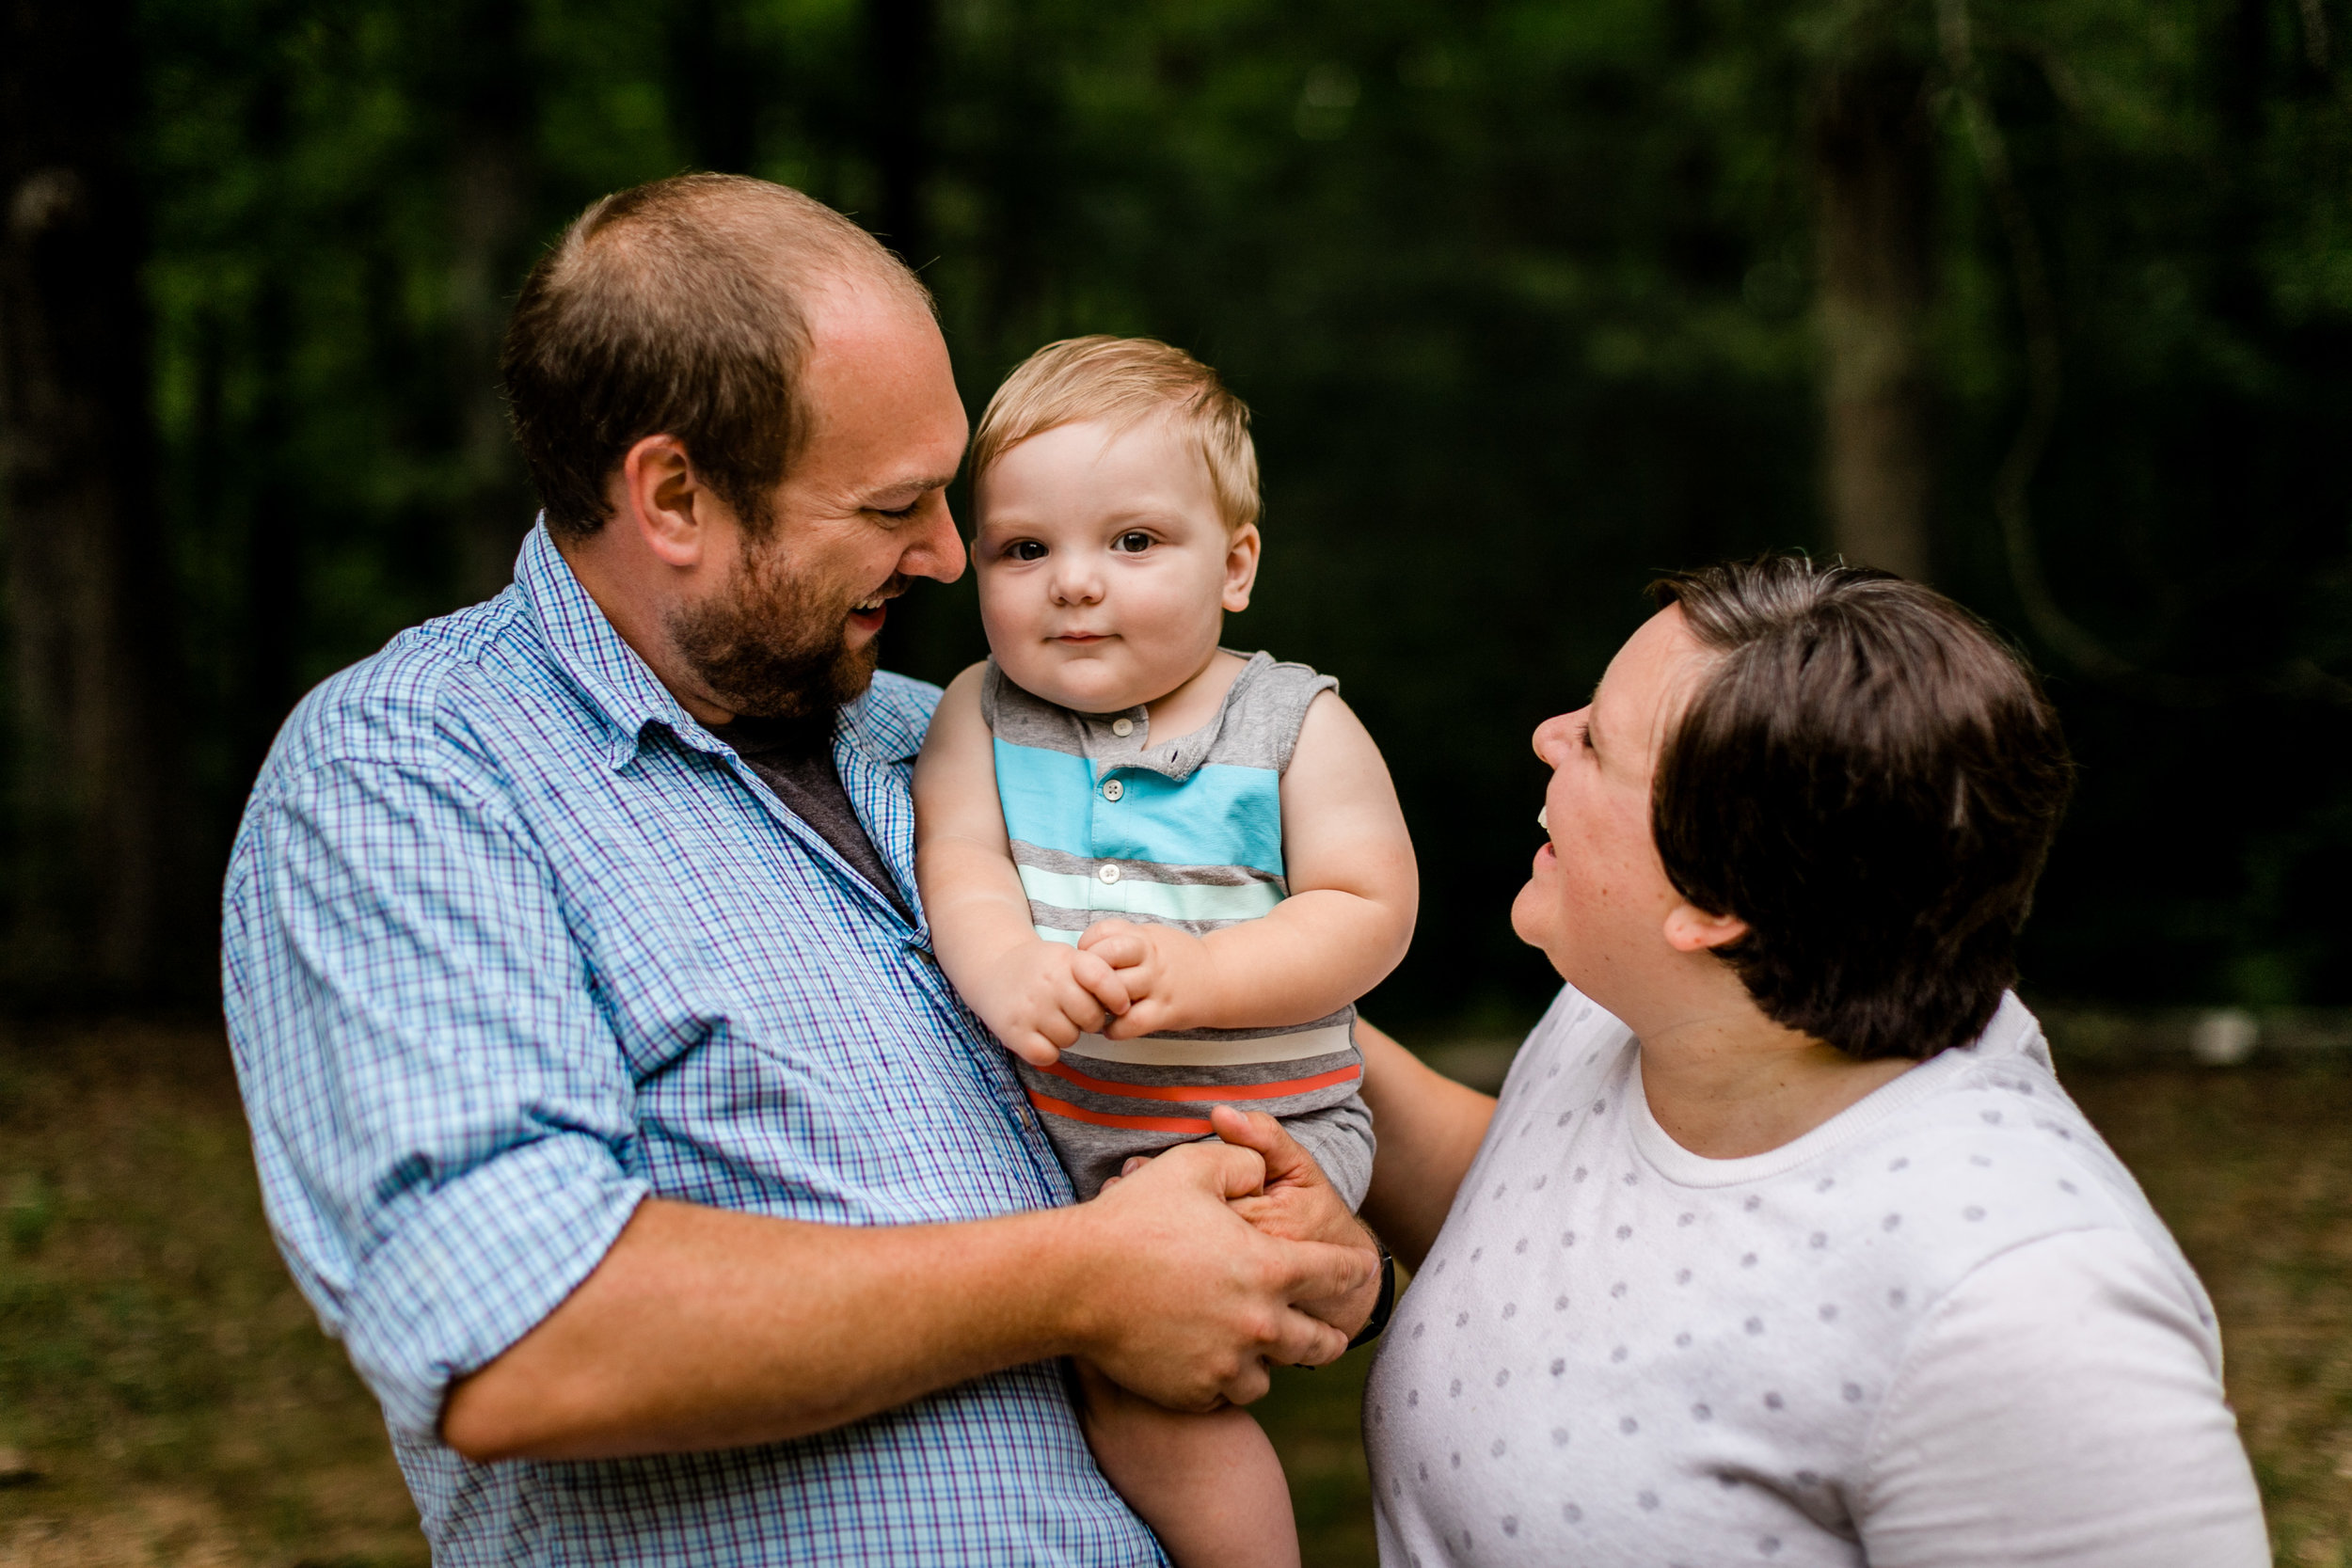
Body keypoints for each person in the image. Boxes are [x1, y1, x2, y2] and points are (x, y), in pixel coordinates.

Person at [218, 173, 1380, 1565]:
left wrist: (1322, 1238)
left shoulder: (943, 733)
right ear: (674, 497)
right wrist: (1086, 1277)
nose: (950, 554)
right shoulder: (410, 772)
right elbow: (521, 1338)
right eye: (896, 504)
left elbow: (1290, 1035)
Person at [1351, 557, 2270, 1566]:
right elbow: (1534, 1220)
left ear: (1713, 905)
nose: (1548, 735)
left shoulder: (2028, 1312)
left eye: (1598, 743)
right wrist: (1235, 1022)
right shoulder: (1646, 1011)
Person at [913, 336, 1418, 1568]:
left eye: (1131, 541)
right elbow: (962, 866)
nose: (1073, 583)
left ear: (1235, 563)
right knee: (1070, 1372)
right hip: (1062, 1132)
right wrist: (1012, 973)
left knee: (1158, 1398)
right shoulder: (979, 710)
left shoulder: (1292, 721)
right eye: (1024, 549)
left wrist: (1204, 973)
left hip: (1263, 1130)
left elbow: (1368, 906)